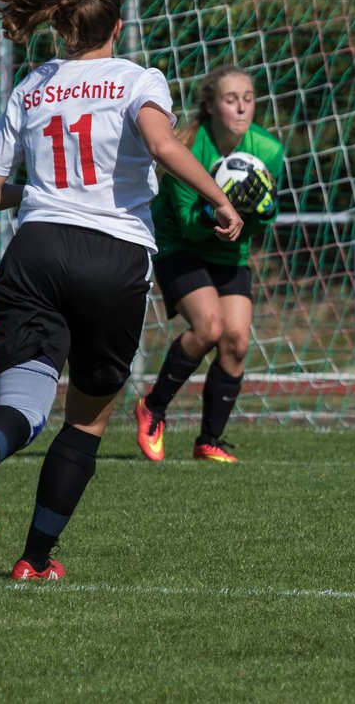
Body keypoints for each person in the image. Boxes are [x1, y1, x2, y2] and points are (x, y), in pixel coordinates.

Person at [0, 0, 243, 581]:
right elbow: (164, 146)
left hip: (34, 251)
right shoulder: (138, 79)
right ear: (117, 27)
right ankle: (33, 560)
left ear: (63, 29)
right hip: (112, 258)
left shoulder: (34, 85)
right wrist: (219, 199)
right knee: (85, 421)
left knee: (25, 403)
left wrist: (35, 196)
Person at [134, 65, 283, 464]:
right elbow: (188, 224)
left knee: (235, 341)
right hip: (179, 246)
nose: (241, 108)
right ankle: (154, 407)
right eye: (231, 99)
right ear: (211, 105)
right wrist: (214, 211)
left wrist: (262, 209)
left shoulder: (267, 150)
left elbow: (263, 219)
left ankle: (209, 442)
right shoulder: (187, 146)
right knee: (209, 327)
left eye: (248, 100)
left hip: (228, 252)